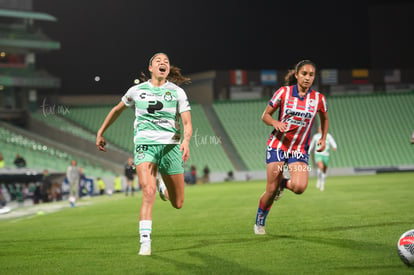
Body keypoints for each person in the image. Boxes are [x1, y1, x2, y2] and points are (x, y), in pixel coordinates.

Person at [96, 52, 193, 256]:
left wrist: (185, 140)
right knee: (147, 193)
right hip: (145, 145)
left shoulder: (177, 92)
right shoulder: (136, 91)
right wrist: (101, 132)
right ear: (150, 68)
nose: (162, 63)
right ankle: (145, 242)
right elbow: (116, 110)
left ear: (168, 69)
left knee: (178, 203)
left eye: (166, 61)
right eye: (158, 61)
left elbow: (187, 123)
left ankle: (163, 185)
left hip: (171, 147)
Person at [254, 60, 329, 235]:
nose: (307, 78)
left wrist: (323, 138)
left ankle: (283, 182)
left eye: (311, 75)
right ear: (296, 75)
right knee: (271, 190)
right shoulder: (283, 93)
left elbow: (325, 119)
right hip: (278, 145)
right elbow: (265, 115)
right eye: (304, 74)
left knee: (299, 187)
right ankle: (260, 221)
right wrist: (275, 122)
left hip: (299, 149)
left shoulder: (318, 99)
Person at [309, 127, 337, 191]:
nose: (320, 130)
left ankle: (322, 182)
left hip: (326, 154)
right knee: (321, 167)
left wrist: (334, 146)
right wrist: (308, 151)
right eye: (319, 129)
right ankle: (320, 182)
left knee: (324, 170)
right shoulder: (316, 136)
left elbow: (332, 141)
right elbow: (312, 144)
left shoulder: (328, 136)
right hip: (318, 154)